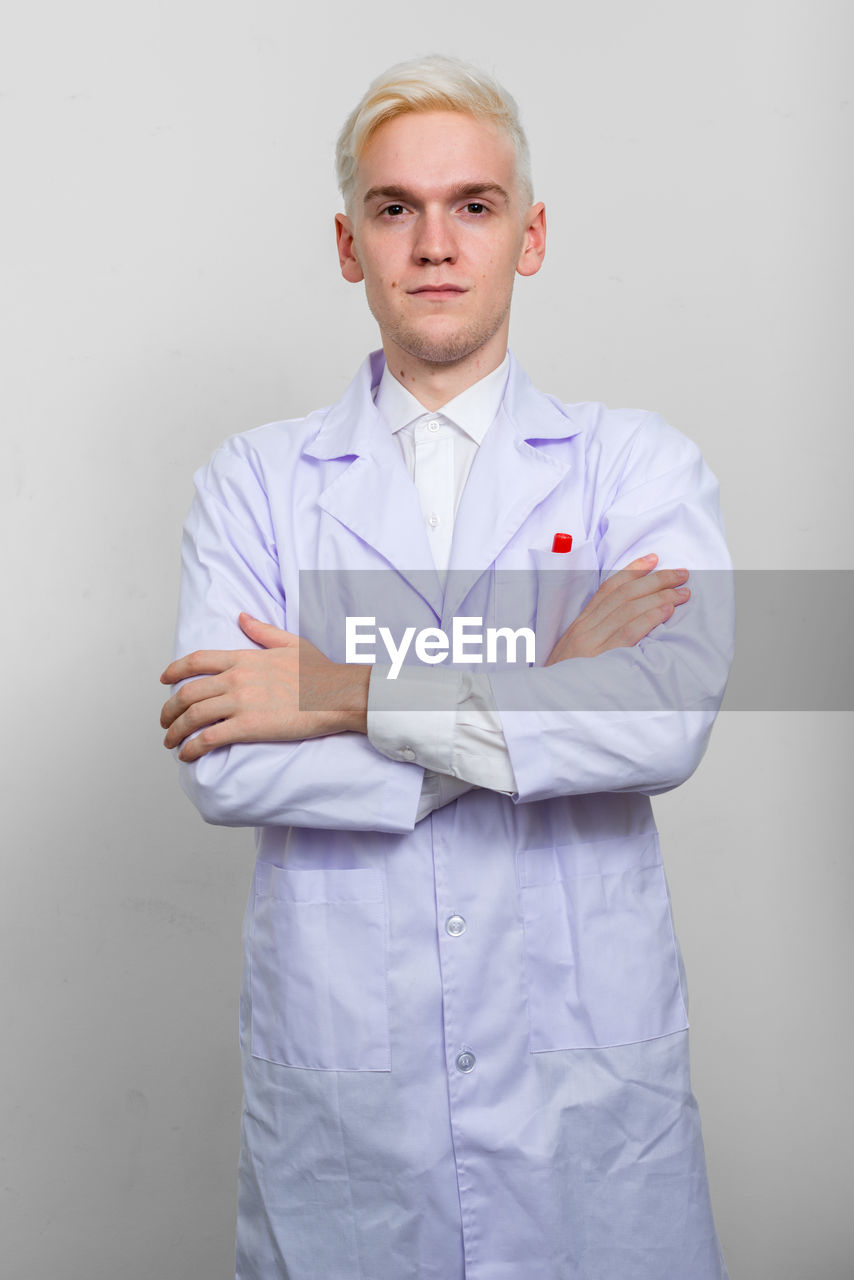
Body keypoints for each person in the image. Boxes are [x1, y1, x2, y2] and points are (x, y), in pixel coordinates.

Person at [160, 54, 733, 1280]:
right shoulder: (254, 483)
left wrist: (345, 690)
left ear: (528, 236)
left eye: (473, 205)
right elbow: (226, 765)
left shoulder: (637, 469)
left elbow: (661, 722)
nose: (433, 242)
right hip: (351, 1101)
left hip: (581, 1095)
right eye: (393, 207)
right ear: (346, 242)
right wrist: (543, 679)